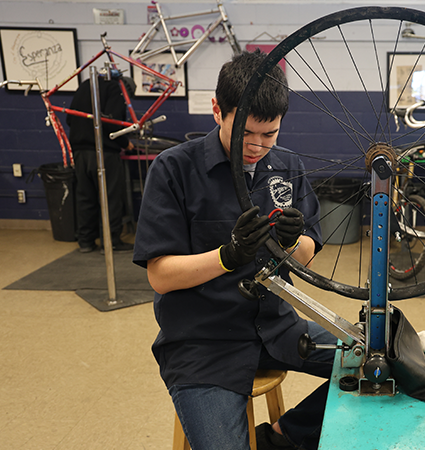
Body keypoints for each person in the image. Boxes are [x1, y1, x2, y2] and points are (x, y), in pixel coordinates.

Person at [133, 50, 334, 450]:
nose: (258, 146)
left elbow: (305, 258)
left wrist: (294, 242)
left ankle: (283, 437)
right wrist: (227, 256)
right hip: (203, 343)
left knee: (382, 368)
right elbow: (161, 275)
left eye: (270, 134)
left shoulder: (288, 167)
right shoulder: (173, 169)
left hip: (278, 327)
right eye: (246, 132)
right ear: (217, 111)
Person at [67, 75, 135, 253]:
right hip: (104, 152)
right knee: (111, 198)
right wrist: (125, 143)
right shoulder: (116, 89)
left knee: (85, 197)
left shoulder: (86, 85)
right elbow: (111, 123)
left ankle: (86, 241)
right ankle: (111, 242)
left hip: (80, 152)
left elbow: (69, 119)